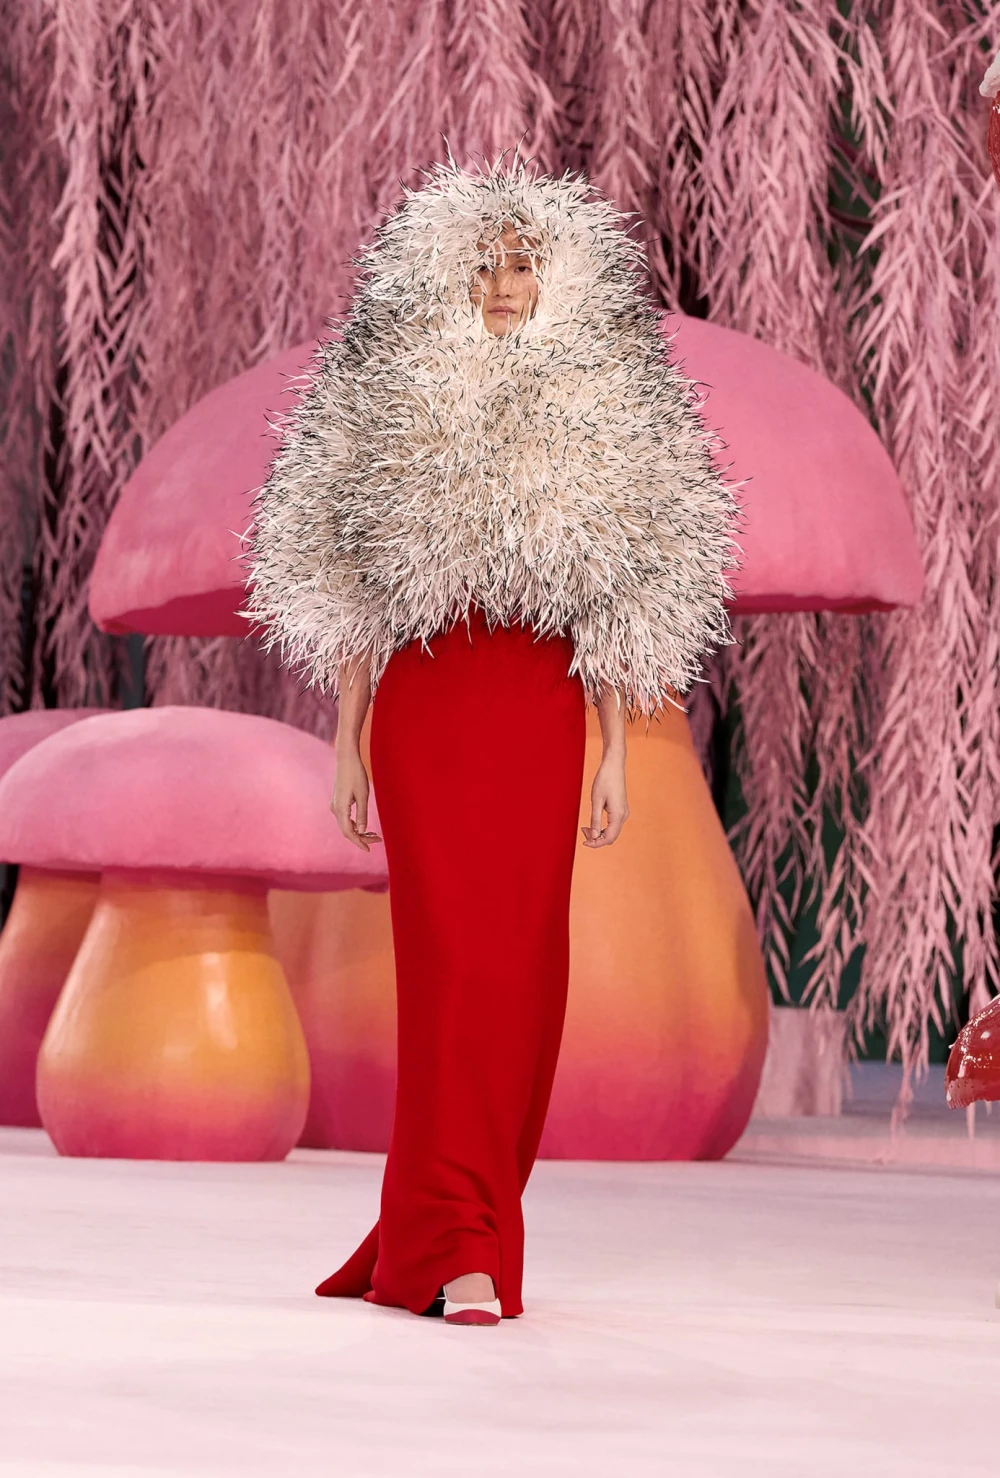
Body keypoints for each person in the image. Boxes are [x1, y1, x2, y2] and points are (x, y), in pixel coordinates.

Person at [245, 154, 738, 1326]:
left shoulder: (604, 407)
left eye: (523, 265)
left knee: (524, 978)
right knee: (453, 972)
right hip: (429, 709)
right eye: (486, 265)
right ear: (448, 276)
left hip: (539, 711)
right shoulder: (391, 396)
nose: (506, 284)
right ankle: (457, 1241)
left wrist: (613, 748)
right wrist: (348, 739)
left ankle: (446, 1222)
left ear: (554, 277)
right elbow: (350, 582)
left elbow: (617, 591)